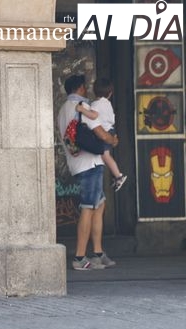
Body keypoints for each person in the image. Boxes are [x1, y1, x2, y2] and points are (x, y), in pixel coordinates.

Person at [57, 74, 119, 271]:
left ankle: (98, 252)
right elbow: (99, 131)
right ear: (81, 88)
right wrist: (111, 140)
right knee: (88, 208)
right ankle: (80, 257)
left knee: (98, 205)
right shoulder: (82, 106)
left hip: (79, 162)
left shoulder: (63, 109)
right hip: (89, 163)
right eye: (85, 87)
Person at [88, 78, 129, 192]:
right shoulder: (108, 104)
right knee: (105, 155)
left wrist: (83, 110)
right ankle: (116, 175)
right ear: (110, 93)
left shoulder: (96, 104)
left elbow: (93, 115)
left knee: (105, 156)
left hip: (105, 132)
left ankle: (118, 176)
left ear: (94, 90)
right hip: (111, 130)